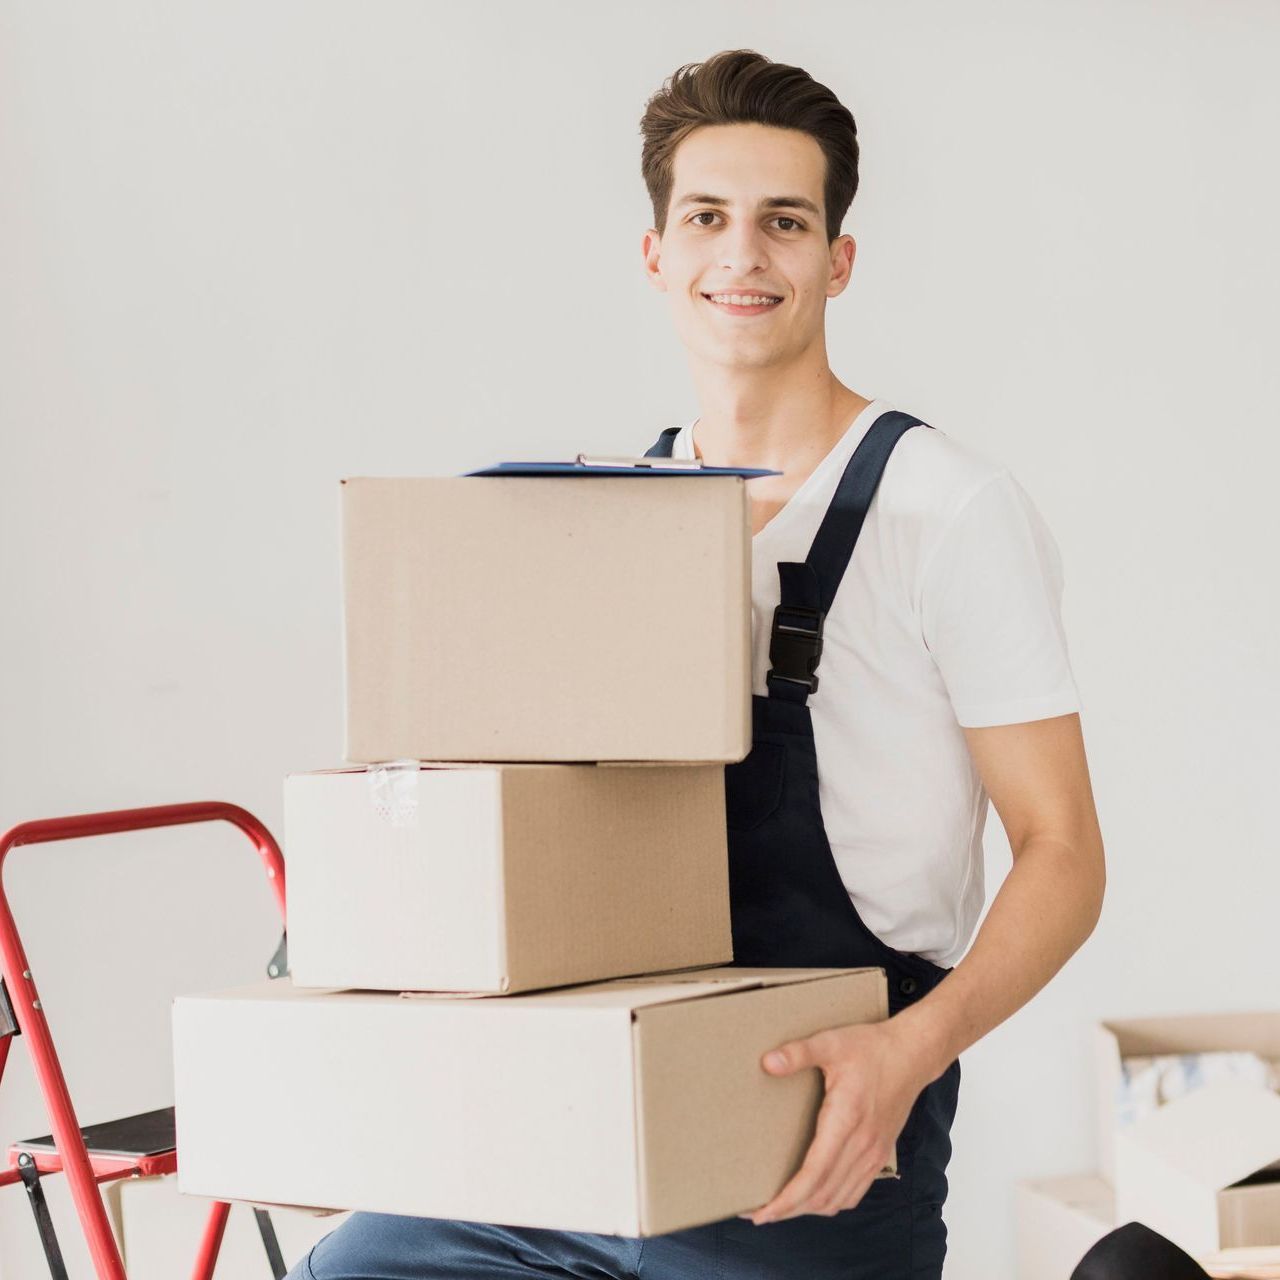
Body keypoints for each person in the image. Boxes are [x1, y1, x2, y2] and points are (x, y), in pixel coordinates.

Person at [290, 47, 1106, 1280]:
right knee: (353, 1267)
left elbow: (1063, 849)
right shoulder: (608, 518)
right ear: (655, 254)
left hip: (817, 1125)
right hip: (585, 1103)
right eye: (706, 218)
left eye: (783, 222)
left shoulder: (948, 509)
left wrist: (911, 1050)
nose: (742, 256)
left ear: (836, 259)